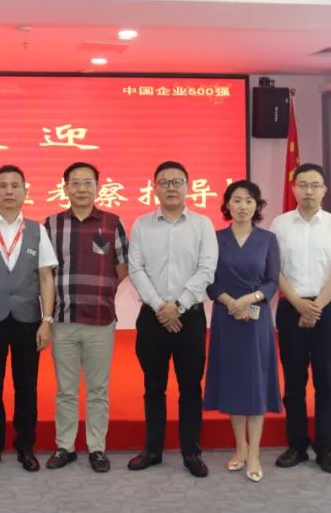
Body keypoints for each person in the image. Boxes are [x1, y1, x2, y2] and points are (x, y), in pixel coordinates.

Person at [0, 164, 57, 473]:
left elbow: (46, 277)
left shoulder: (37, 230)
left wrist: (47, 321)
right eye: (3, 185)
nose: (9, 191)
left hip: (28, 319)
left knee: (26, 386)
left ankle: (25, 445)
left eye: (15, 186)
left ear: (25, 192)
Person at [127, 160, 217, 478]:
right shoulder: (141, 225)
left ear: (187, 187)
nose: (171, 187)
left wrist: (177, 306)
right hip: (152, 319)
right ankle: (152, 450)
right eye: (164, 182)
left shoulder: (202, 225)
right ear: (154, 188)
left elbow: (206, 270)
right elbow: (135, 269)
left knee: (190, 388)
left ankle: (191, 452)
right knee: (153, 387)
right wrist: (160, 307)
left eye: (176, 182)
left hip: (189, 319)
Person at [43, 162, 128, 474]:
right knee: (65, 390)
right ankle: (65, 446)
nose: (81, 189)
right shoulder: (51, 224)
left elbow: (122, 268)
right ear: (65, 188)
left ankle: (97, 448)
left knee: (97, 390)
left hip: (100, 320)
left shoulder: (112, 223)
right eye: (75, 183)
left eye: (87, 183)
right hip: (63, 319)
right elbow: (45, 272)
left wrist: (99, 292)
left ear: (97, 187)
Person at [271, 163, 331, 474]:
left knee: (325, 381)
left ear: (324, 190)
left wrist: (315, 307)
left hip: (327, 309)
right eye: (303, 185)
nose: (308, 191)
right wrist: (298, 303)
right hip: (291, 309)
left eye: (314, 185)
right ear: (294, 188)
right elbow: (275, 270)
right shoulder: (280, 224)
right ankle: (296, 445)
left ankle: (325, 448)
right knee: (293, 382)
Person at [202, 180, 281, 483]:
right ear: (227, 204)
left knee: (255, 383)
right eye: (236, 200)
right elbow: (209, 281)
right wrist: (231, 303)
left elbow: (272, 281)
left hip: (256, 320)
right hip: (226, 317)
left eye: (249, 201)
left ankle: (255, 453)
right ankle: (240, 448)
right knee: (234, 382)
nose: (243, 206)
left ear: (257, 206)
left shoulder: (268, 239)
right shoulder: (215, 238)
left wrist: (249, 299)